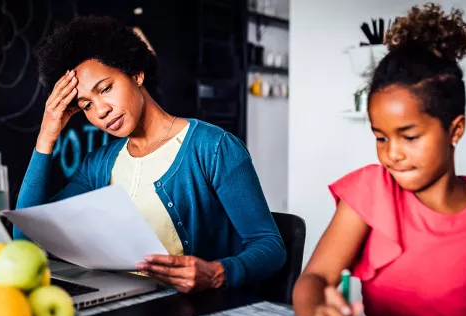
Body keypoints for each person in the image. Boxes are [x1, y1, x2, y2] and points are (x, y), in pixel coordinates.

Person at [293, 3, 466, 316]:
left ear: (455, 129)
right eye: (380, 137)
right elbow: (314, 278)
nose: (391, 153)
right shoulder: (371, 192)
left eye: (409, 137)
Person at [14, 15, 285, 293]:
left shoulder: (213, 148)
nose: (101, 110)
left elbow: (271, 246)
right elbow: (25, 239)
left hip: (195, 314)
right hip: (123, 310)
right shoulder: (98, 165)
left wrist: (217, 273)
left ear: (136, 74)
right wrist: (47, 133)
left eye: (106, 89)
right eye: (86, 105)